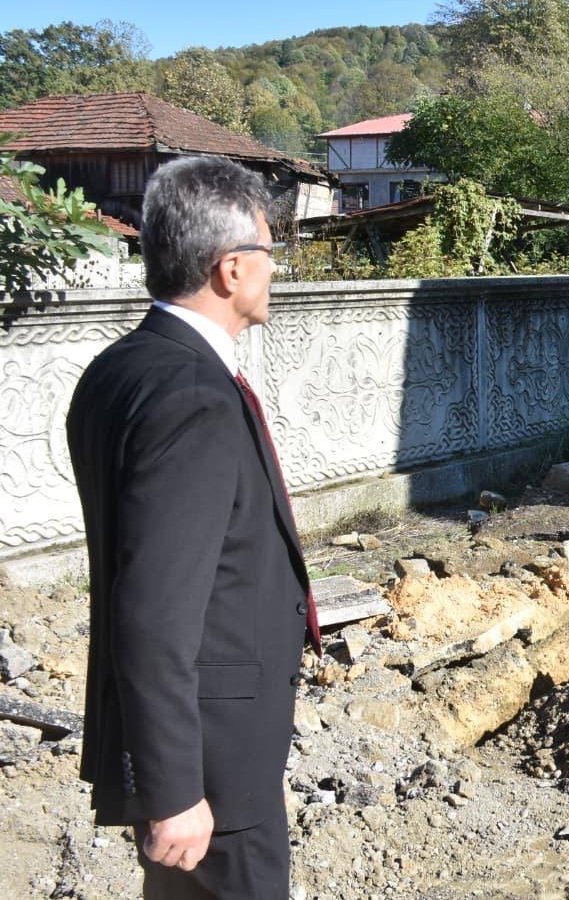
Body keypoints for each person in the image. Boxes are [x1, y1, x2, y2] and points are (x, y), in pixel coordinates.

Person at [67, 156, 319, 898]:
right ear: (231, 268)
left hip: (192, 740)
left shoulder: (122, 367)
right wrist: (176, 789)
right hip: (211, 762)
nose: (277, 268)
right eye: (270, 251)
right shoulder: (194, 394)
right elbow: (152, 607)